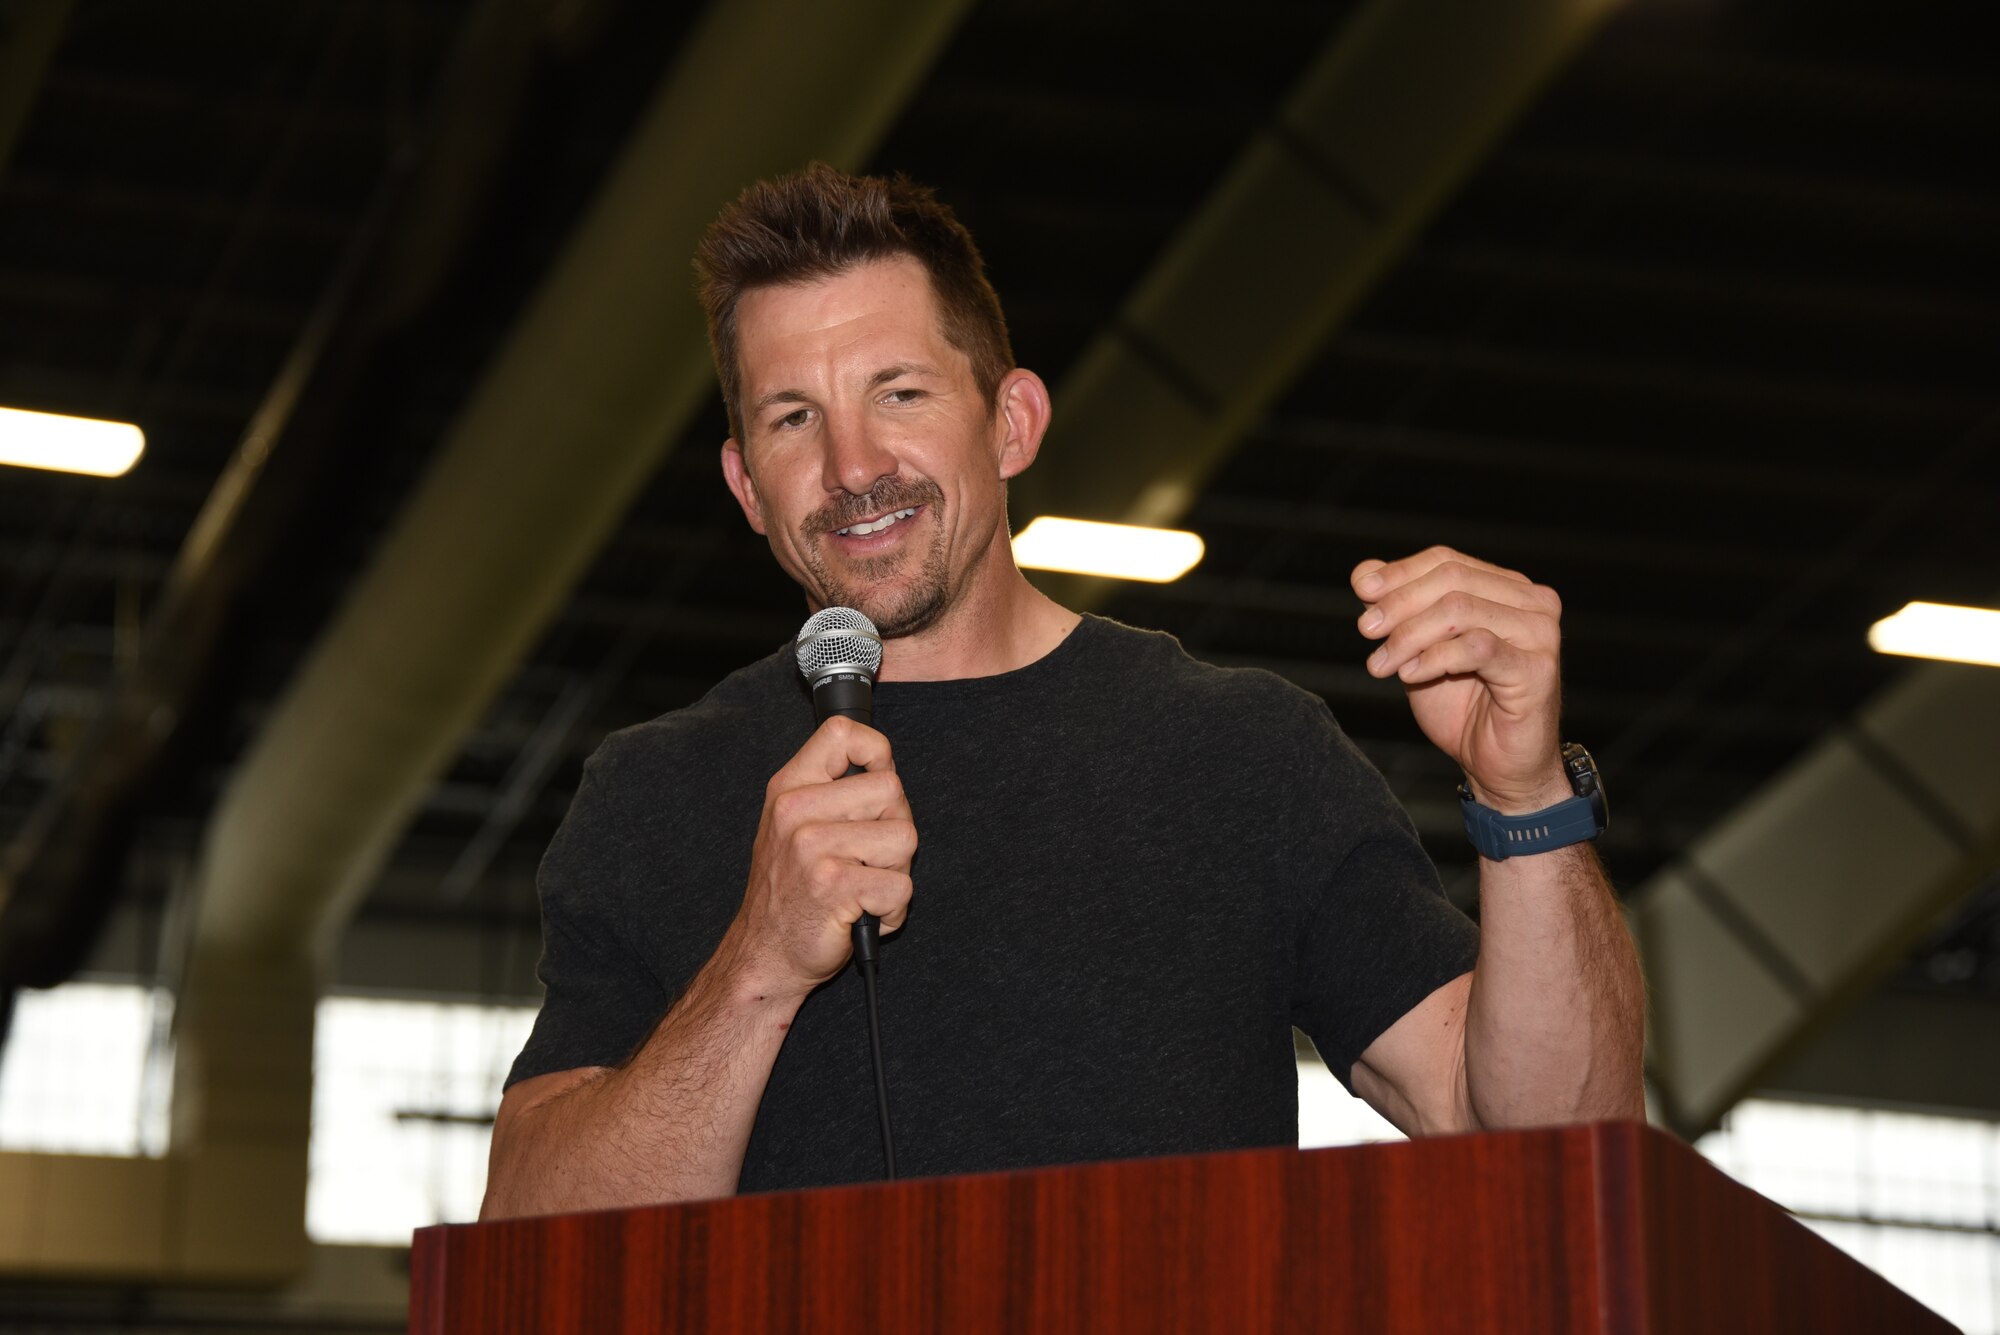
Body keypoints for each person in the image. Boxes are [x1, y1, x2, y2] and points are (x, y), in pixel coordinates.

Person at [479, 165, 1645, 1219]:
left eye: (898, 393)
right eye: (793, 419)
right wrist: (756, 965)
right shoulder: (654, 791)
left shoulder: (1236, 753)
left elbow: (1547, 1145)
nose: (851, 468)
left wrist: (1523, 792)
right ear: (744, 484)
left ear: (1013, 422)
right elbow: (527, 1241)